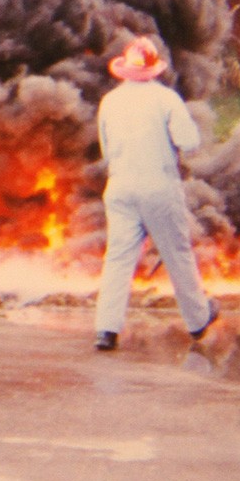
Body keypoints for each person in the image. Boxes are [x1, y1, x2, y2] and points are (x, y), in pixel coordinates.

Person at [93, 36, 218, 351]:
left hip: (119, 187)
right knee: (176, 254)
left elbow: (107, 150)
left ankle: (106, 330)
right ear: (154, 70)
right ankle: (198, 320)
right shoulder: (166, 99)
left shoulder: (110, 101)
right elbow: (188, 142)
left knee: (118, 258)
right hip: (158, 187)